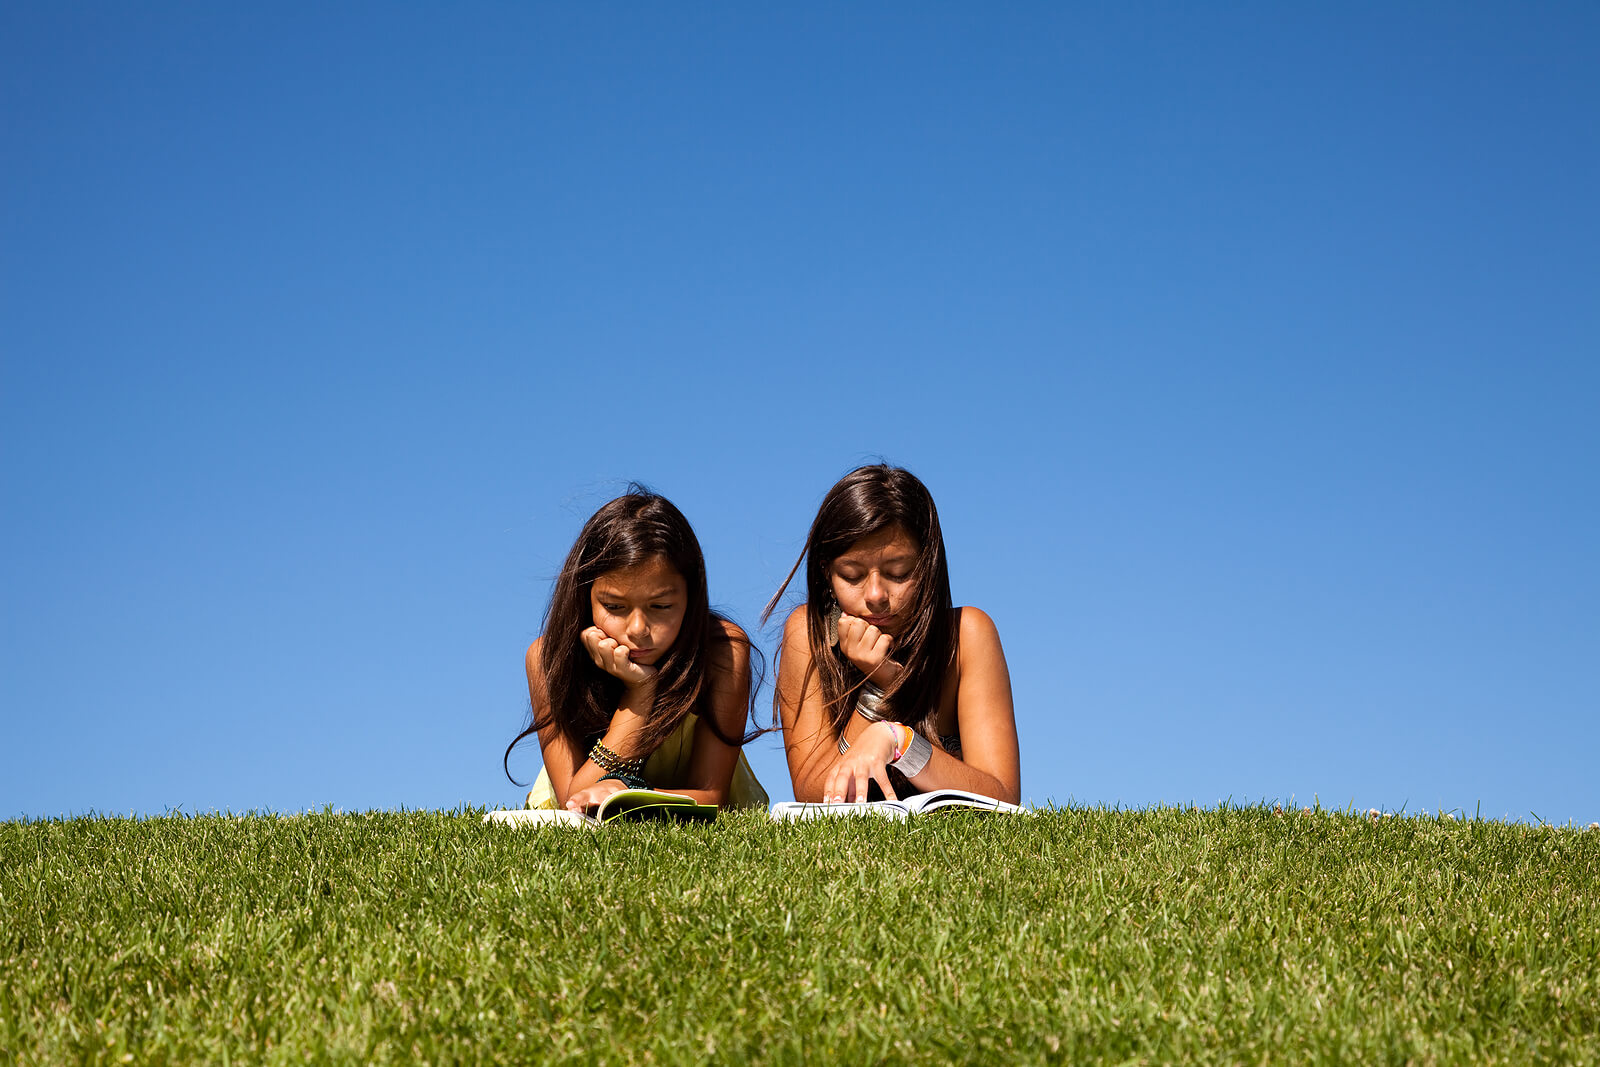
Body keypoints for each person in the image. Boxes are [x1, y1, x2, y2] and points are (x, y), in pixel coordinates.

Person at [763, 464, 1020, 805]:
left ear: (927, 566)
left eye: (898, 573)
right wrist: (878, 691)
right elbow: (815, 793)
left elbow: (1002, 797)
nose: (875, 595)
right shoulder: (808, 632)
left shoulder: (965, 636)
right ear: (826, 573)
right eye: (851, 575)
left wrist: (900, 742)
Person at [505, 489, 766, 812]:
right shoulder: (549, 658)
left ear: (691, 598)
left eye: (661, 605)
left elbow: (711, 797)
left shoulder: (721, 652)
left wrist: (627, 790)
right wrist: (639, 696)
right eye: (615, 606)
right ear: (585, 597)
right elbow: (574, 799)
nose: (638, 629)